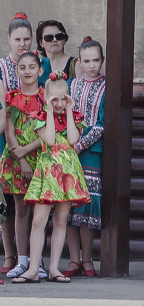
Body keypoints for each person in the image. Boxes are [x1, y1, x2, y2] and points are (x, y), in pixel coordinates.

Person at [15, 71, 90, 284]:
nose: (58, 103)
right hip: (48, 171)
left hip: (67, 172)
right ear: (46, 98)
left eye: (62, 98)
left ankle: (55, 268)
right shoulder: (40, 118)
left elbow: (74, 139)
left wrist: (68, 111)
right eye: (53, 99)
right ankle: (33, 269)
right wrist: (48, 111)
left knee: (60, 220)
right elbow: (48, 140)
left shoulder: (72, 117)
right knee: (39, 220)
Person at [1, 47, 45, 280]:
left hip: (40, 157)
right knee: (19, 210)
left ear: (40, 70)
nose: (27, 71)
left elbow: (50, 131)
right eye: (22, 67)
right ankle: (21, 259)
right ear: (16, 71)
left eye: (32, 67)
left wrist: (28, 152)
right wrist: (21, 157)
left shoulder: (46, 98)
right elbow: (9, 131)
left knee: (41, 211)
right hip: (16, 159)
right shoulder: (12, 98)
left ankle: (39, 261)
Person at [66, 37, 106, 276]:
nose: (92, 65)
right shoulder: (71, 85)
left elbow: (102, 123)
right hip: (67, 151)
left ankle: (88, 259)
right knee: (68, 205)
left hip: (91, 151)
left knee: (87, 204)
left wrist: (80, 144)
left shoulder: (107, 86)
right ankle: (73, 259)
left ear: (102, 61)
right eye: (87, 61)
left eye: (96, 60)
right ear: (79, 62)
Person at [2, 13, 35, 277]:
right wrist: (17, 151)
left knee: (34, 205)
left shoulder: (37, 63)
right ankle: (11, 254)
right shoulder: (1, 68)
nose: (22, 44)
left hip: (35, 141)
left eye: (26, 39)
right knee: (10, 204)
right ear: (9, 40)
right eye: (18, 39)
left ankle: (34, 259)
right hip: (8, 139)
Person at [35, 19, 77, 88]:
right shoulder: (36, 65)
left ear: (65, 40)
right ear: (41, 43)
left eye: (59, 36)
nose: (54, 40)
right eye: (48, 37)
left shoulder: (75, 64)